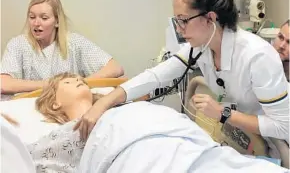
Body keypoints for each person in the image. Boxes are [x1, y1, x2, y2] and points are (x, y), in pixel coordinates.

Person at [74, 0, 289, 148]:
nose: (179, 28)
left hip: (277, 146)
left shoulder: (257, 56)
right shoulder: (202, 47)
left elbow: (283, 125)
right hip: (246, 138)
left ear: (210, 19)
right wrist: (104, 102)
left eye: (183, 20)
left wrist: (223, 113)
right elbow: (157, 76)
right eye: (177, 20)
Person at [20, 73, 288, 172]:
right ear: (55, 103)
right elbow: (22, 158)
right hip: (137, 158)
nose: (78, 79)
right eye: (67, 81)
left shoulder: (126, 107)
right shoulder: (69, 132)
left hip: (190, 146)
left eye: (78, 77)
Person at [1, 0, 124, 98]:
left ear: (57, 21)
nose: (36, 23)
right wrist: (52, 85)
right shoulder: (18, 44)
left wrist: (78, 84)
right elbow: (3, 83)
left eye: (44, 18)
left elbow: (115, 68)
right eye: (32, 17)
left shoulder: (74, 42)